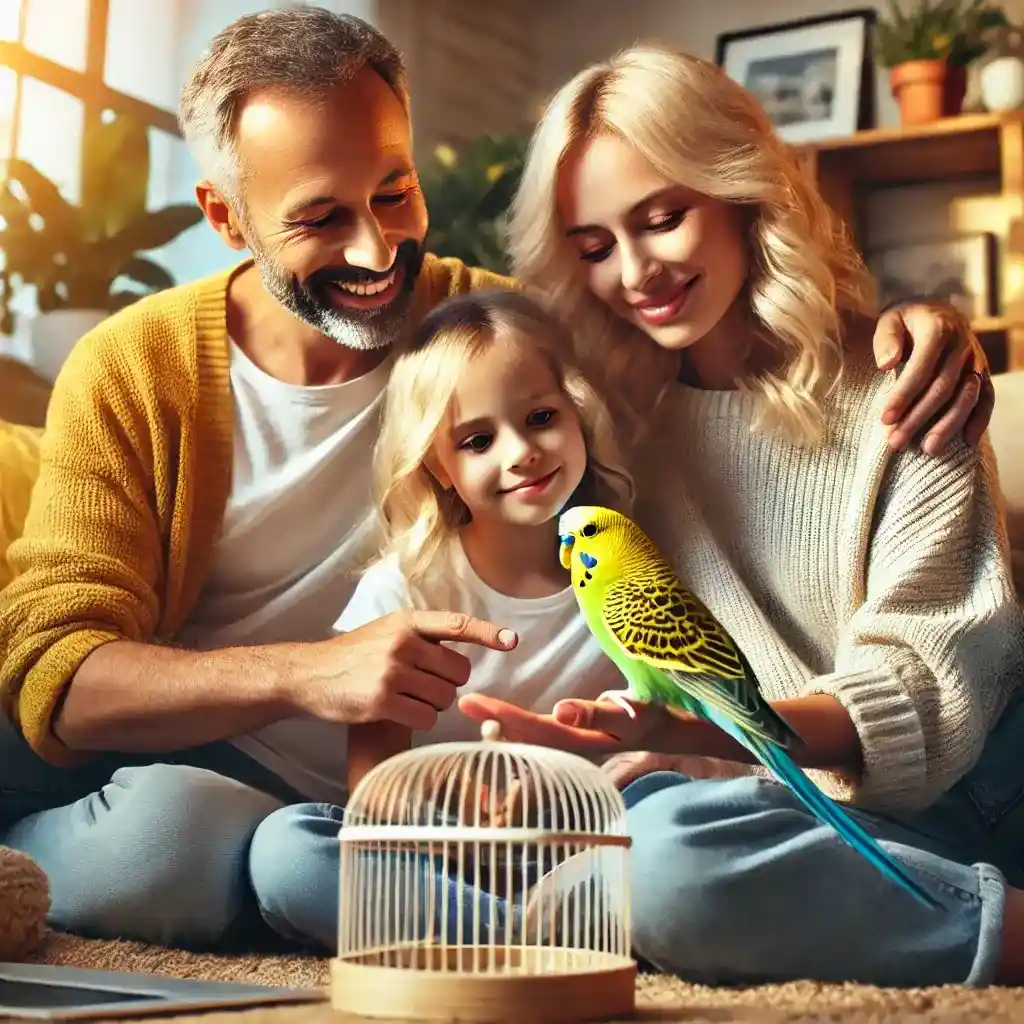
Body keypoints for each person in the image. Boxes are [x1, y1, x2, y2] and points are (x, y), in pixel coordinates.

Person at [0, 6, 1000, 950]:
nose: (374, 247)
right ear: (225, 216)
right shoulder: (140, 366)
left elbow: (742, 349)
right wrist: (315, 672)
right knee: (175, 841)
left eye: (394, 192)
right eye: (318, 218)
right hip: (249, 777)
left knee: (641, 858)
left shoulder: (511, 340)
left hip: (599, 792)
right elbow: (54, 672)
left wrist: (923, 324)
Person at [454, 43, 1024, 988]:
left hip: (976, 793)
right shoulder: (605, 430)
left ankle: (995, 929)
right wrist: (646, 754)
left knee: (664, 870)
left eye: (662, 218)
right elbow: (439, 332)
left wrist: (700, 737)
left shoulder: (906, 392)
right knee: (588, 864)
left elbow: (928, 699)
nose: (635, 271)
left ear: (743, 193)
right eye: (593, 247)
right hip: (798, 797)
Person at [251, 287, 632, 948]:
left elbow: (651, 748)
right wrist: (452, 806)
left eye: (541, 416)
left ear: (578, 414)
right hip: (442, 862)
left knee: (671, 815)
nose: (521, 453)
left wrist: (566, 794)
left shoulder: (627, 572)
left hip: (583, 851)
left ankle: (529, 926)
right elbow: (373, 792)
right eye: (478, 439)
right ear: (440, 467)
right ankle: (533, 938)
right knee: (288, 851)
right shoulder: (406, 589)